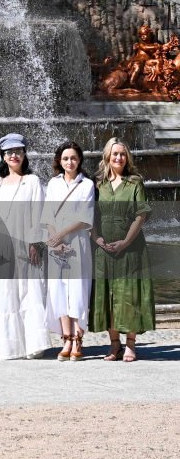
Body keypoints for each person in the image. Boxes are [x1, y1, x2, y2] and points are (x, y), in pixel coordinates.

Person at [0, 133, 49, 360]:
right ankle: (6, 346)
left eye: (18, 151)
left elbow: (39, 214)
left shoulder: (32, 182)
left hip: (25, 244)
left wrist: (36, 242)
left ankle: (32, 345)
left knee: (28, 293)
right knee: (3, 295)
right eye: (9, 152)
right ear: (3, 155)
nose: (14, 155)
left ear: (24, 154)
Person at [92, 137, 153, 362]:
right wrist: (95, 237)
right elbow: (90, 215)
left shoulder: (135, 182)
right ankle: (114, 345)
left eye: (123, 154)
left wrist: (126, 241)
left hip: (131, 248)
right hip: (104, 248)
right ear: (107, 156)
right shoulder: (98, 183)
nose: (119, 157)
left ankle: (130, 345)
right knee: (107, 296)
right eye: (115, 153)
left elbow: (141, 214)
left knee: (130, 295)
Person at [41, 141, 95, 362]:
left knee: (77, 289)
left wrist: (61, 234)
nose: (69, 162)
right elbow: (47, 214)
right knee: (58, 289)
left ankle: (78, 338)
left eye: (73, 158)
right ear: (59, 161)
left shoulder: (87, 185)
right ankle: (66, 339)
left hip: (77, 242)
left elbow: (85, 217)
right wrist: (54, 238)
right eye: (65, 159)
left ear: (79, 160)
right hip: (57, 244)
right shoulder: (53, 184)